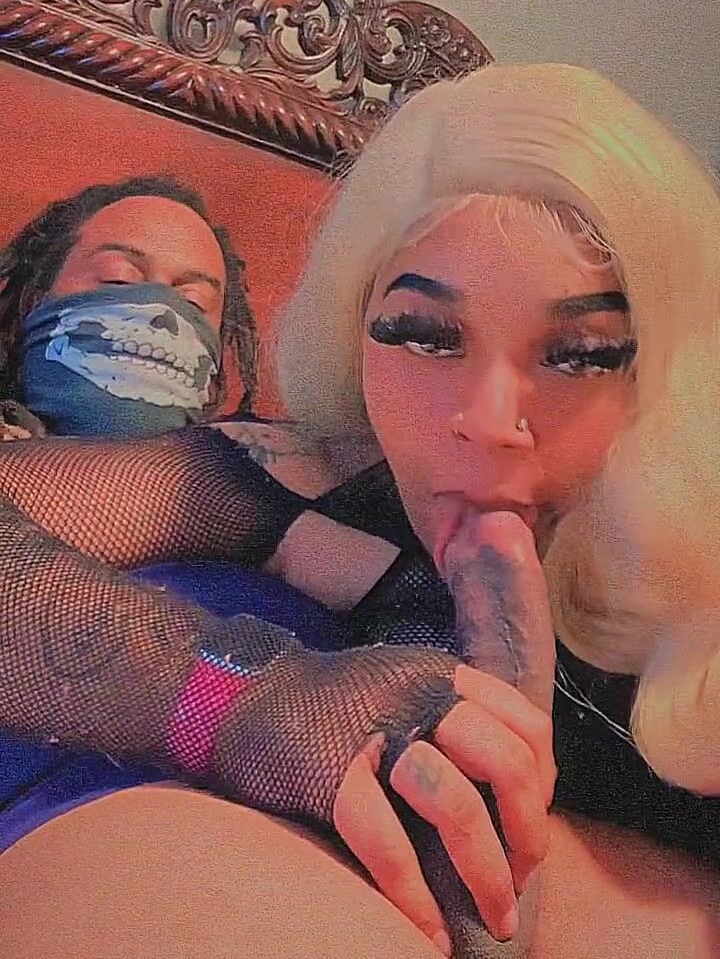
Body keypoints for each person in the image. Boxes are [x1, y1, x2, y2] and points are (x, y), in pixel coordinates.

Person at [1, 65, 720, 958]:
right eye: (424, 335)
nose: (489, 420)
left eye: (581, 352)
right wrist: (242, 696)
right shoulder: (289, 469)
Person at [0, 174, 258, 437]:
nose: (163, 311)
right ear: (33, 300)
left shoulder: (246, 461)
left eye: (193, 301)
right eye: (119, 278)